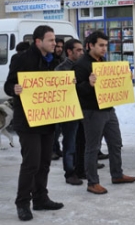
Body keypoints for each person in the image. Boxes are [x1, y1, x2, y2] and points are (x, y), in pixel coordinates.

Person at [4, 25, 63, 221]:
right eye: (51, 40)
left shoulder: (55, 60)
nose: (55, 43)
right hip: (28, 120)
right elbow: (8, 84)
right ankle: (22, 203)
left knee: (45, 161)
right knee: (31, 163)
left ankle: (40, 198)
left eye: (55, 40)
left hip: (48, 117)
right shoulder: (22, 59)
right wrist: (15, 88)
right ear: (38, 41)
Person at [74, 31, 135, 194]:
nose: (104, 49)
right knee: (93, 147)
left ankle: (117, 174)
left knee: (116, 143)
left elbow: (110, 83)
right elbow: (75, 91)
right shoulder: (81, 65)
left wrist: (124, 79)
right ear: (90, 46)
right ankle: (92, 182)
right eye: (101, 45)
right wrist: (89, 84)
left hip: (108, 108)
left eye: (105, 45)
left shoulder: (103, 61)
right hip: (92, 111)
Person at [55, 39, 85, 185]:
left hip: (84, 108)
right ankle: (70, 172)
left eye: (82, 50)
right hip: (69, 111)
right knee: (70, 143)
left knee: (82, 141)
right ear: (69, 51)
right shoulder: (61, 69)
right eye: (78, 50)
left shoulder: (84, 66)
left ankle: (81, 169)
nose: (81, 52)